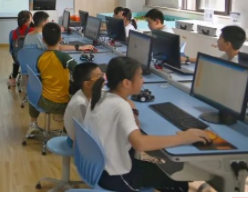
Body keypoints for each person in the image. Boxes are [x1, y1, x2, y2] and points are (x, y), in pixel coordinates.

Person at [84, 57, 210, 192]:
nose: (143, 80)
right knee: (179, 184)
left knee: (159, 171)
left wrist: (132, 110)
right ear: (126, 83)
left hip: (100, 169)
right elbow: (140, 144)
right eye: (140, 77)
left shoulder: (101, 96)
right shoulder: (121, 106)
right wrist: (184, 137)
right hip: (117, 177)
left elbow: (133, 126)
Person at [26, 22, 77, 137]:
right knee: (78, 100)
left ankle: (33, 123)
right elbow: (78, 70)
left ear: (43, 40)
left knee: (34, 90)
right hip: (61, 103)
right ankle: (67, 133)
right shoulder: (64, 57)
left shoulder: (40, 57)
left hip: (42, 101)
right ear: (60, 38)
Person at [63, 62, 102, 143]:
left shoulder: (85, 93)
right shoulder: (80, 104)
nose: (103, 80)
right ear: (88, 84)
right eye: (99, 78)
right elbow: (82, 134)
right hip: (78, 143)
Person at [24, 11, 95, 51]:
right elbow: (58, 47)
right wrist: (80, 47)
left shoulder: (28, 35)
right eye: (48, 21)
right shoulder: (42, 36)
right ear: (44, 23)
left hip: (29, 68)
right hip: (41, 67)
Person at [8, 10, 34, 87]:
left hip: (17, 58)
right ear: (28, 20)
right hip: (30, 60)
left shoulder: (13, 32)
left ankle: (13, 78)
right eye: (31, 17)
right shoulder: (33, 31)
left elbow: (11, 49)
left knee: (17, 60)